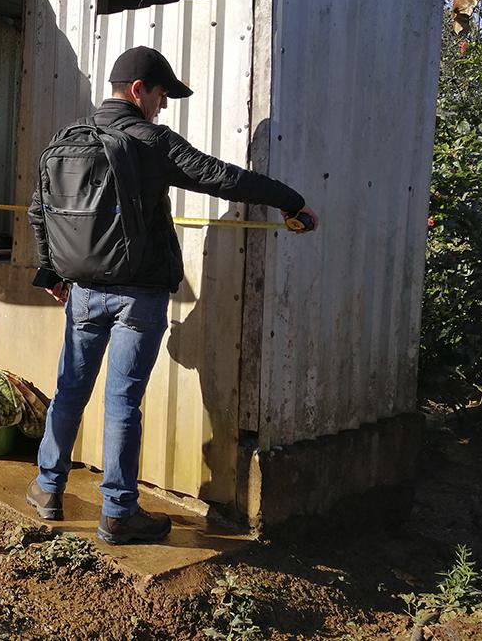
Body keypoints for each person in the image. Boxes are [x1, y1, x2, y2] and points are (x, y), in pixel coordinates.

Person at [26, 46, 319, 545]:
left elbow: (40, 210)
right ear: (138, 90)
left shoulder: (65, 140)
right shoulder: (149, 140)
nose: (163, 105)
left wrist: (51, 270)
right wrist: (291, 201)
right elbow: (221, 177)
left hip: (82, 292)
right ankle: (117, 512)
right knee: (123, 402)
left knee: (70, 388)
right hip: (137, 298)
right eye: (161, 94)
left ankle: (48, 487)